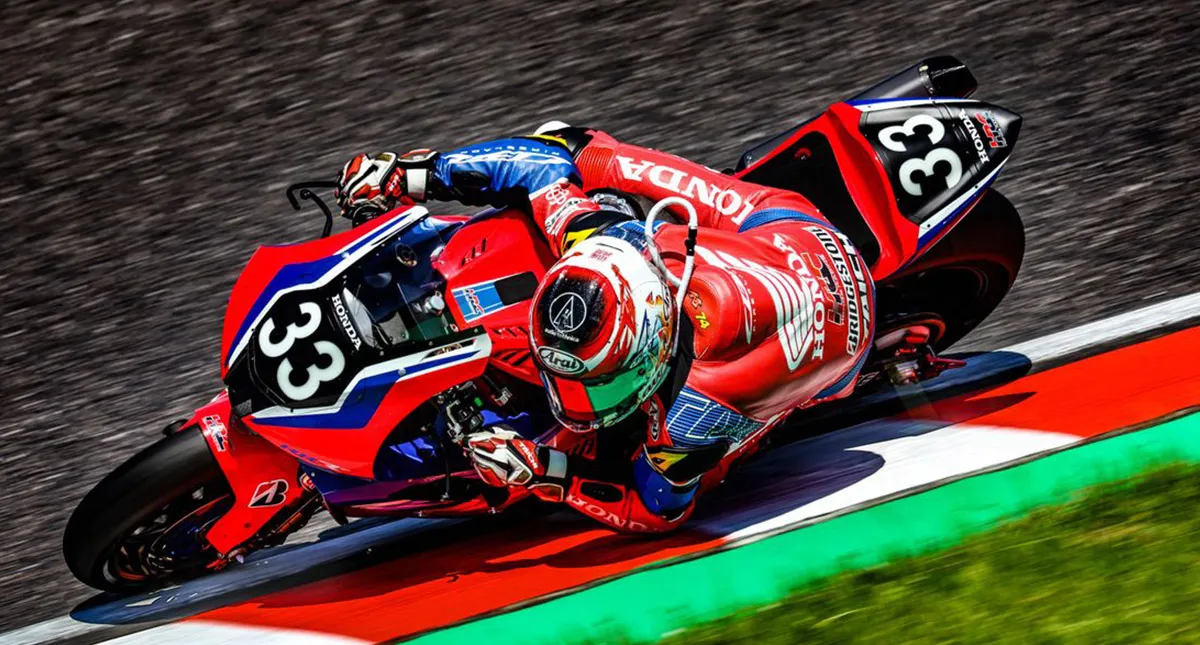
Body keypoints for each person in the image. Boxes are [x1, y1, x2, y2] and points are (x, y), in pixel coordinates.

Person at [335, 123, 875, 532]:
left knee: (662, 462)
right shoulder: (608, 242)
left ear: (653, 349)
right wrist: (415, 173)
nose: (577, 395)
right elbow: (540, 168)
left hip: (838, 326)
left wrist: (544, 472)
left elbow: (656, 512)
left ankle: (790, 412)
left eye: (598, 382)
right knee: (574, 146)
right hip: (781, 239)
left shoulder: (693, 414)